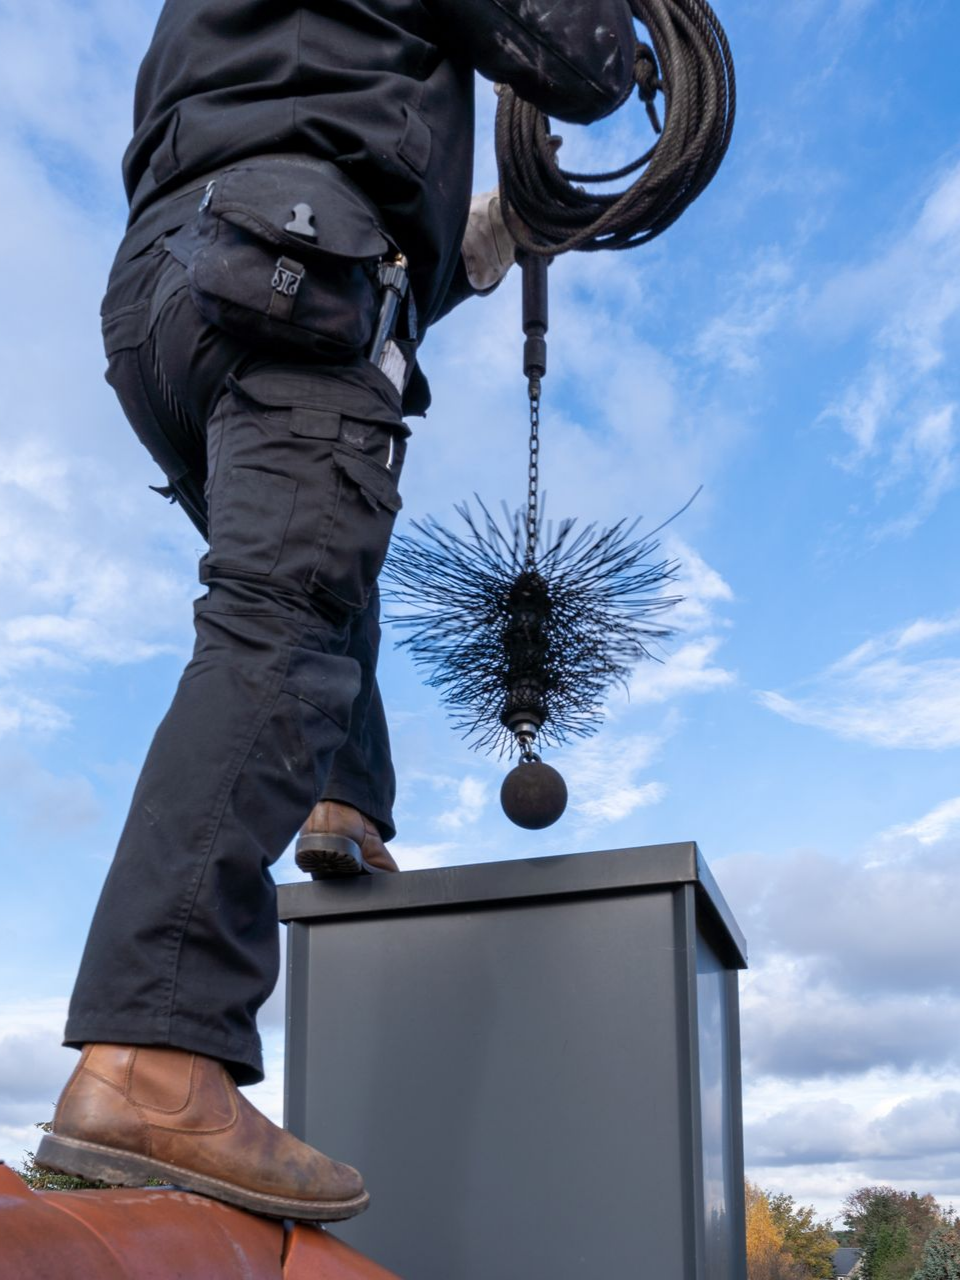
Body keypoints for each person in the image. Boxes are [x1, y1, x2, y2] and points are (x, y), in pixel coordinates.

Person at [39, 0, 636, 1222]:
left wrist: (472, 242)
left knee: (313, 566)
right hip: (285, 263)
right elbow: (580, 59)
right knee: (286, 618)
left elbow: (305, 130)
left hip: (173, 291)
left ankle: (343, 800)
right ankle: (154, 1058)